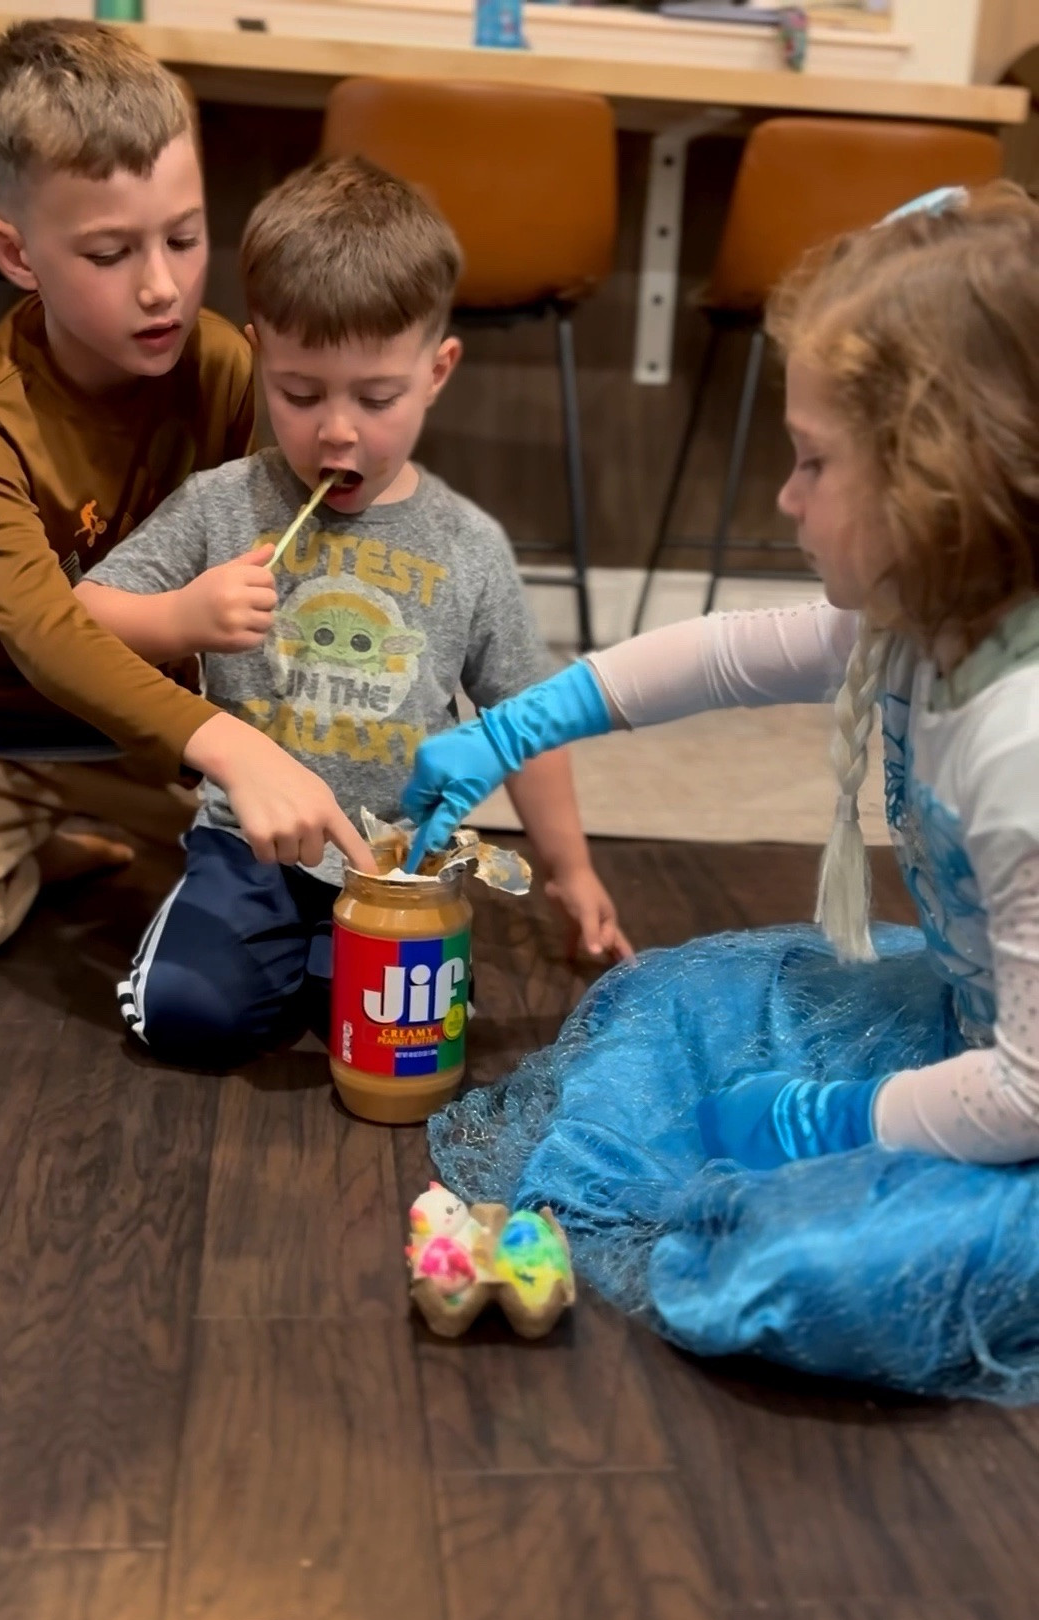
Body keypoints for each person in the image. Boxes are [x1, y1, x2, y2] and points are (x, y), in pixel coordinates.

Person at [403, 182, 1039, 1401]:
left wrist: (830, 1121)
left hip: (1023, 1094)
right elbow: (724, 657)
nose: (785, 499)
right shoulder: (928, 611)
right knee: (675, 1007)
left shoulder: (1021, 740)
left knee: (796, 1269)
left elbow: (1028, 1093)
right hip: (979, 1031)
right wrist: (517, 727)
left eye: (813, 464)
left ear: (940, 483)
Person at [78, 155, 627, 1064]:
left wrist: (572, 869)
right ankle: (269, 957)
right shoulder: (222, 505)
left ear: (437, 371)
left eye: (377, 398)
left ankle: (312, 965)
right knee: (186, 1018)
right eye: (299, 394)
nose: (338, 429)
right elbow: (80, 617)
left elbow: (527, 719)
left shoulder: (467, 544)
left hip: (397, 868)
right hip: (248, 848)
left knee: (406, 1038)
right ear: (259, 353)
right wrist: (181, 618)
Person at [0, 18, 370, 975]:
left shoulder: (222, 364)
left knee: (325, 855)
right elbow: (48, 639)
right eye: (109, 254)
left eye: (184, 239)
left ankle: (59, 836)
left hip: (142, 745)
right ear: (17, 255)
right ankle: (28, 845)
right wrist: (230, 745)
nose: (163, 288)